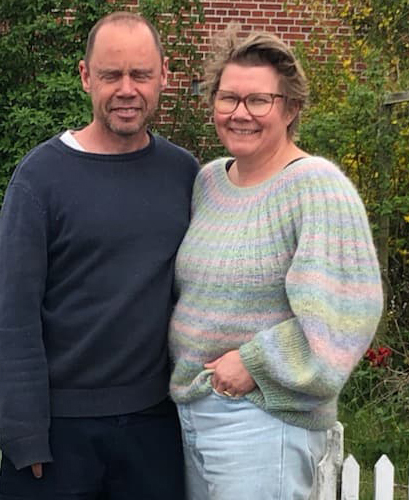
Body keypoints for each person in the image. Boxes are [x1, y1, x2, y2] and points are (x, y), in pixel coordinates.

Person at [0, 11, 199, 500]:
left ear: (164, 75)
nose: (127, 89)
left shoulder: (184, 175)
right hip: (57, 433)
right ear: (86, 76)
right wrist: (24, 433)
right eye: (111, 75)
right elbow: (14, 314)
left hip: (154, 429)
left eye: (140, 74)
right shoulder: (40, 179)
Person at [168, 27, 384, 499]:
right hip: (192, 410)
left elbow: (346, 314)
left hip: (264, 421)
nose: (240, 113)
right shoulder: (209, 182)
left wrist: (254, 363)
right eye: (228, 98)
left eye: (258, 100)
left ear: (290, 108)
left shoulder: (316, 186)